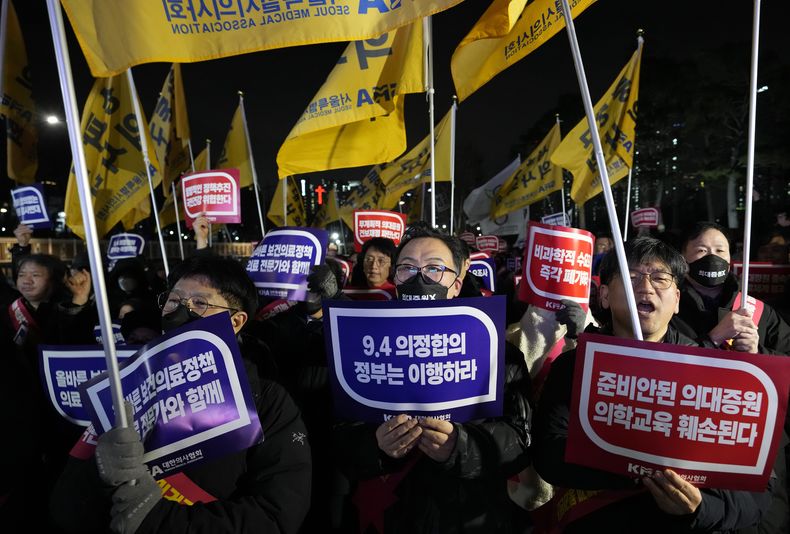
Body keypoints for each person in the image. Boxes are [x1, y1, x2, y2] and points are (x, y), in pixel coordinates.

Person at [49, 254, 312, 534]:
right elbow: (63, 509)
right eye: (173, 301)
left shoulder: (268, 402)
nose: (180, 312)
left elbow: (276, 517)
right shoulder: (128, 389)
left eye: (200, 302)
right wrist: (98, 474)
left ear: (236, 322)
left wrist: (158, 517)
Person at [533, 237, 774, 532]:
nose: (645, 288)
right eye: (631, 277)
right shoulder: (575, 367)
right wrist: (642, 471)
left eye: (660, 278)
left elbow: (756, 494)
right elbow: (549, 457)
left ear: (676, 300)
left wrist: (700, 507)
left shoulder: (720, 374)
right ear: (605, 296)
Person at [333, 228, 532, 533]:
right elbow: (339, 437)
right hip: (388, 513)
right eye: (408, 267)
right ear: (396, 279)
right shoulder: (363, 345)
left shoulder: (496, 350)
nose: (419, 277)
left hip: (468, 517)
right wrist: (376, 446)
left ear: (456, 283)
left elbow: (519, 440)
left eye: (434, 269)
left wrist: (462, 446)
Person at [674, 222, 790, 355]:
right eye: (702, 250)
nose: (713, 257)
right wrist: (713, 339)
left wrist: (758, 352)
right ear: (682, 260)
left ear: (730, 258)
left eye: (720, 250)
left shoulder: (757, 310)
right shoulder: (668, 309)